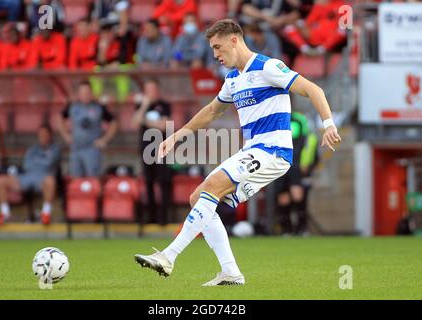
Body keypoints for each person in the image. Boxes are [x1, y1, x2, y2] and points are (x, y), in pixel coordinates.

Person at [134, 19, 341, 286]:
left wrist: (328, 124)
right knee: (199, 198)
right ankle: (230, 272)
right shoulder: (232, 79)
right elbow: (211, 111)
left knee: (212, 185)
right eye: (212, 50)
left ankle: (169, 256)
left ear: (234, 40)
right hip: (254, 151)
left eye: (218, 47)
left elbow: (313, 89)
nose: (215, 55)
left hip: (273, 151)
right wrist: (177, 135)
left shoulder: (268, 67)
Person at [0, 125, 61, 225]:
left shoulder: (55, 149)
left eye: (45, 134)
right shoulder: (33, 149)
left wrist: (37, 162)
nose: (43, 136)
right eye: (41, 134)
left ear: (50, 135)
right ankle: (5, 214)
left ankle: (46, 213)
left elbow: (49, 163)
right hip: (28, 177)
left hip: (43, 178)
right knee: (1, 180)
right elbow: (27, 165)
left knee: (50, 180)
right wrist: (42, 162)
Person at [131, 78, 172, 225]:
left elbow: (163, 125)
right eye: (148, 90)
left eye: (153, 89)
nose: (151, 93)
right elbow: (134, 123)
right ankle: (151, 217)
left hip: (162, 149)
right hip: (146, 150)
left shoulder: (164, 105)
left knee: (163, 182)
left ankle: (163, 218)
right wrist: (144, 106)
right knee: (148, 183)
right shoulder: (141, 106)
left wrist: (145, 121)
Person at [57, 80, 117, 177]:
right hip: (76, 148)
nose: (85, 95)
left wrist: (104, 139)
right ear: (79, 94)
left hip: (92, 148)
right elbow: (60, 117)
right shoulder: (73, 106)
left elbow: (113, 122)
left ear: (91, 93)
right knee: (75, 177)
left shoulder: (99, 107)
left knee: (93, 178)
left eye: (87, 93)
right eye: (83, 93)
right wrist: (66, 135)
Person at [274, 111, 308, 235]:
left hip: (294, 164)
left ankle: (301, 228)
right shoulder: (275, 118)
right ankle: (286, 229)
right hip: (279, 164)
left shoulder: (299, 120)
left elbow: (305, 142)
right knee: (283, 198)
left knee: (297, 194)